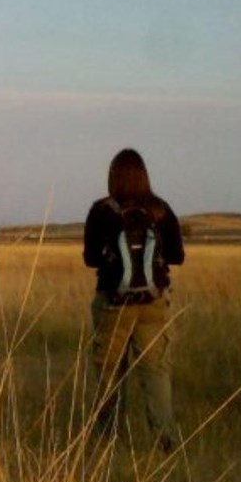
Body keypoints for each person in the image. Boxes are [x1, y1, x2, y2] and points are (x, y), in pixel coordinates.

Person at [83, 148, 185, 453]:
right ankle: (164, 439)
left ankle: (109, 440)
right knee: (156, 371)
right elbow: (178, 256)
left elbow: (90, 259)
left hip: (113, 301)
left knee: (109, 370)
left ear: (113, 176)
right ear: (144, 175)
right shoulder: (161, 209)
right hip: (154, 302)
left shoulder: (101, 210)